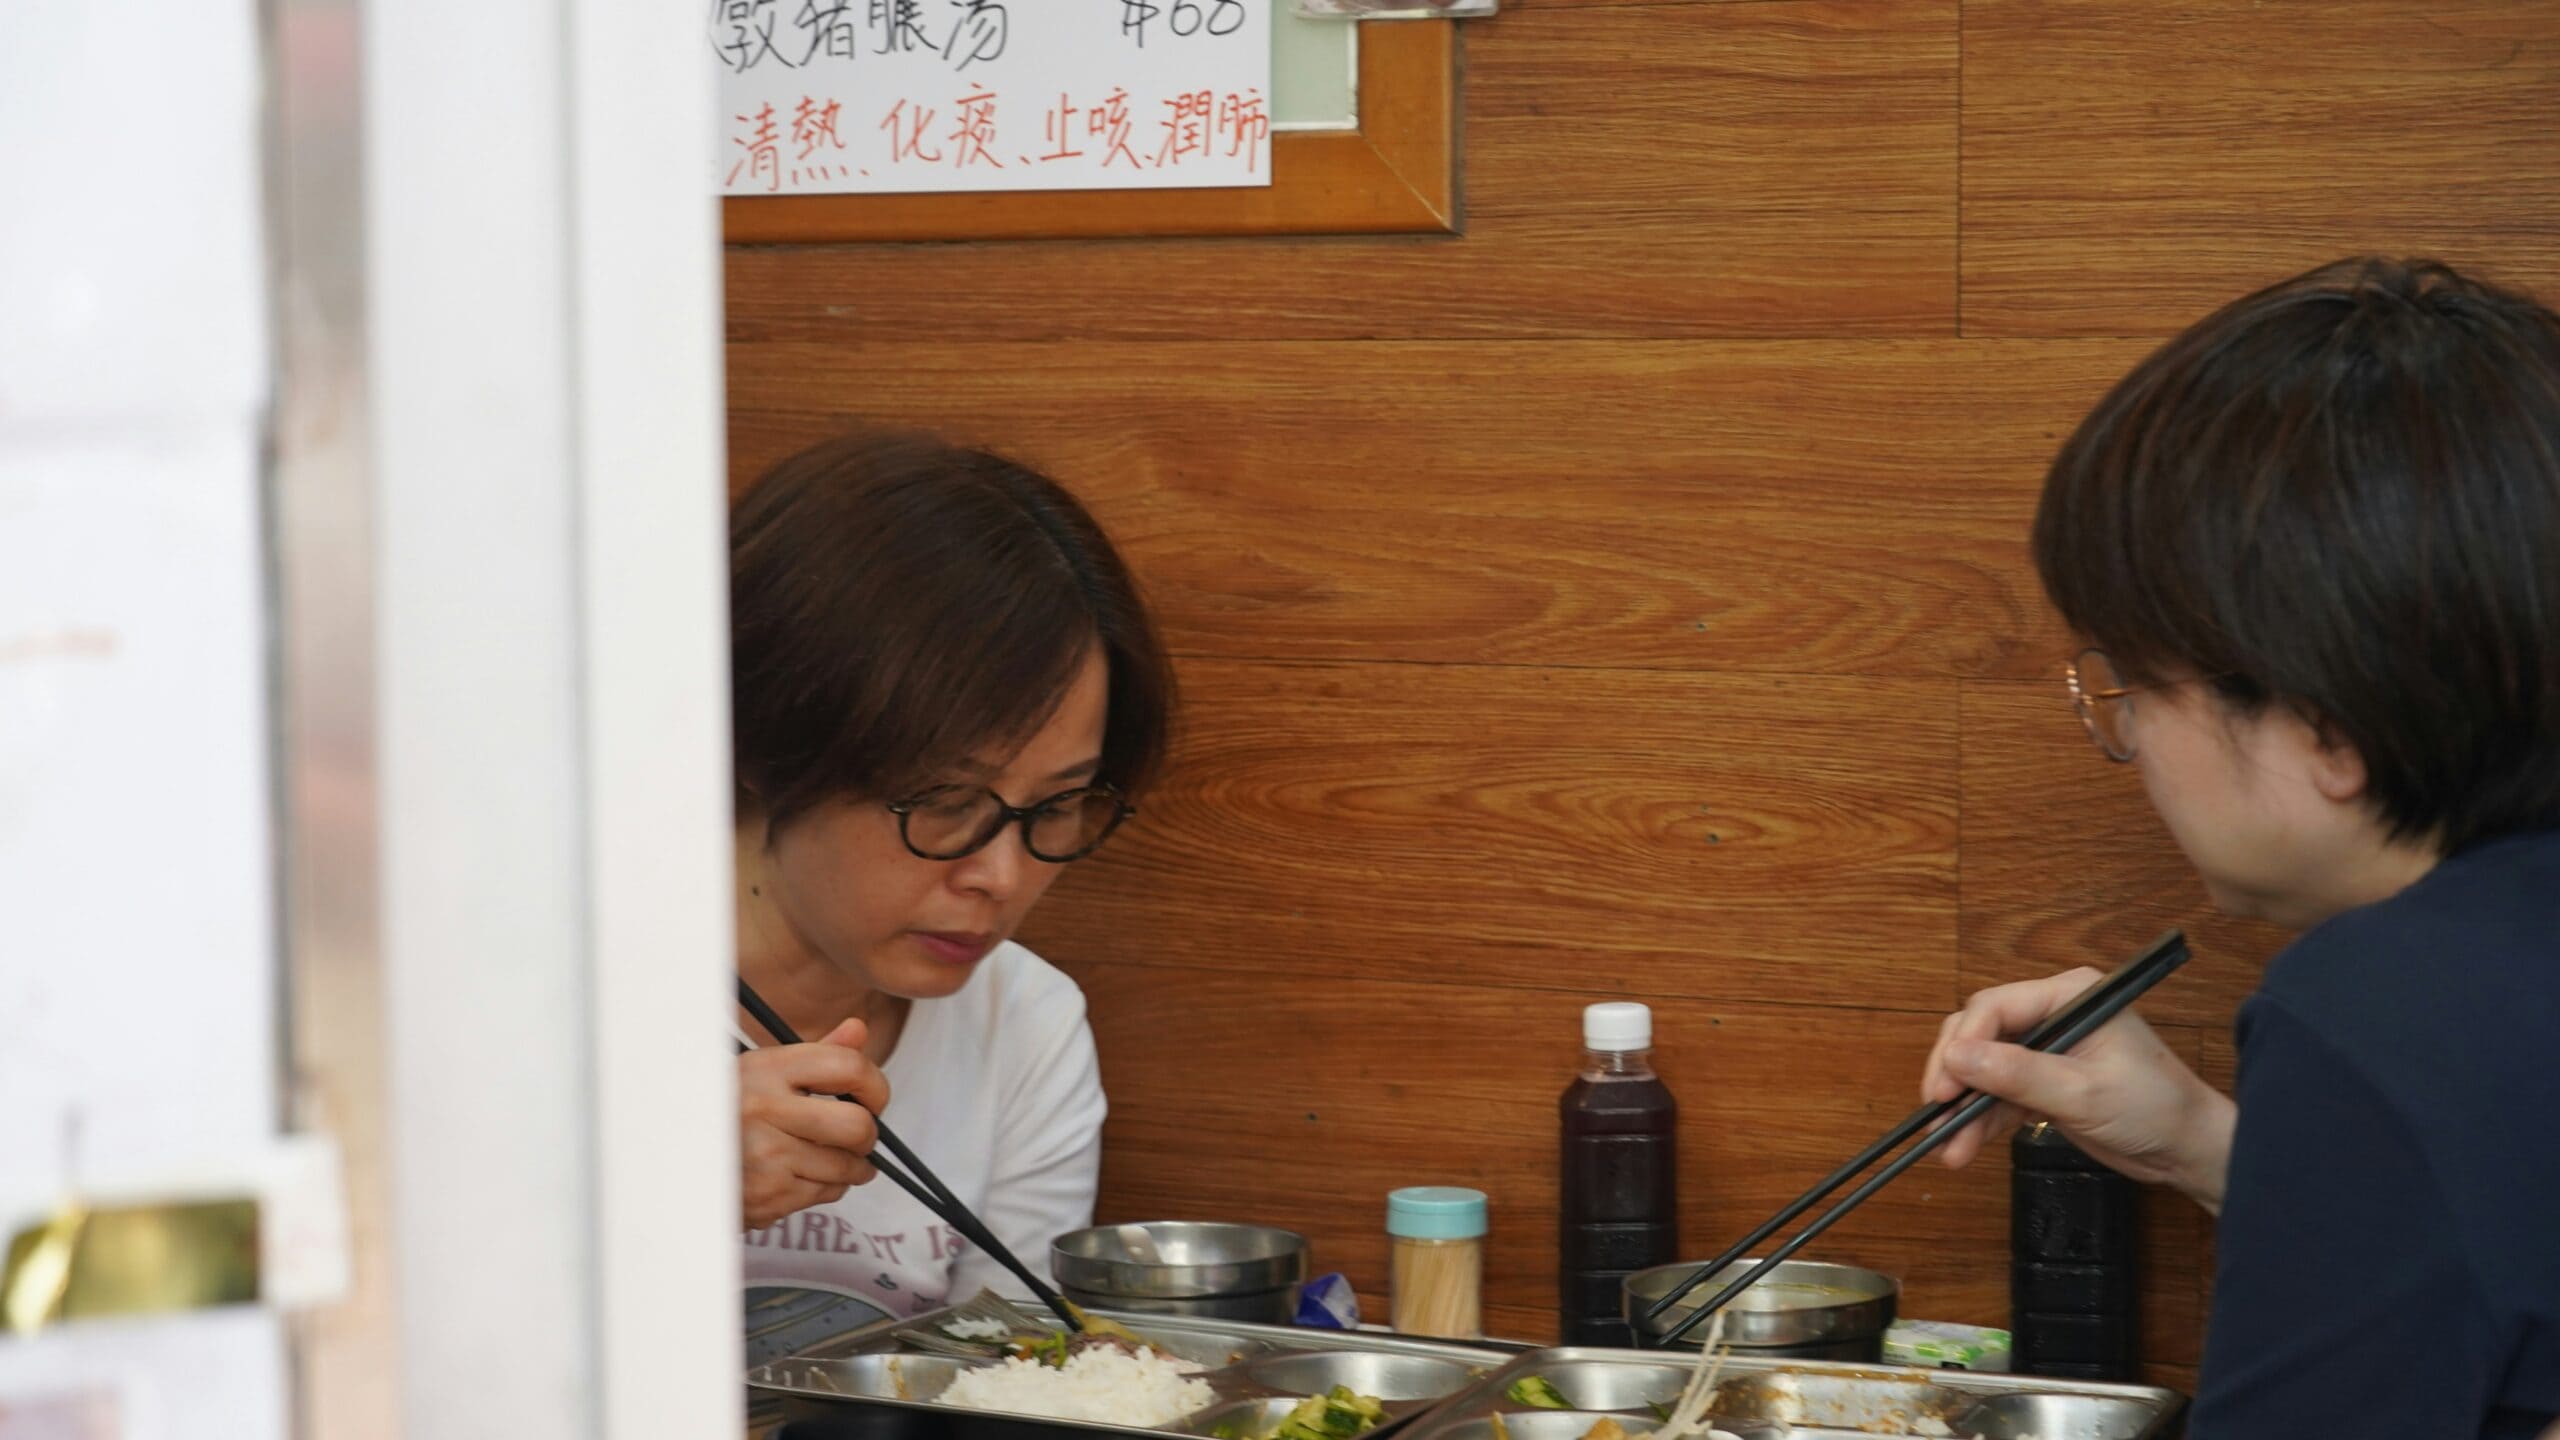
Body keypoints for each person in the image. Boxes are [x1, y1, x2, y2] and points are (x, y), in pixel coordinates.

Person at [1920, 258, 2560, 1438]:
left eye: (2132, 683)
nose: (2126, 743)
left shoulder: (2377, 1007)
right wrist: (2206, 1148)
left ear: (2327, 729)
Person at [726, 431, 1174, 1363]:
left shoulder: (1025, 1022)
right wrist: (650, 1190)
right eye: (943, 800)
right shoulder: (540, 991)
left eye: (1054, 807)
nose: (1000, 878)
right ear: (765, 741)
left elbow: (1005, 1386)